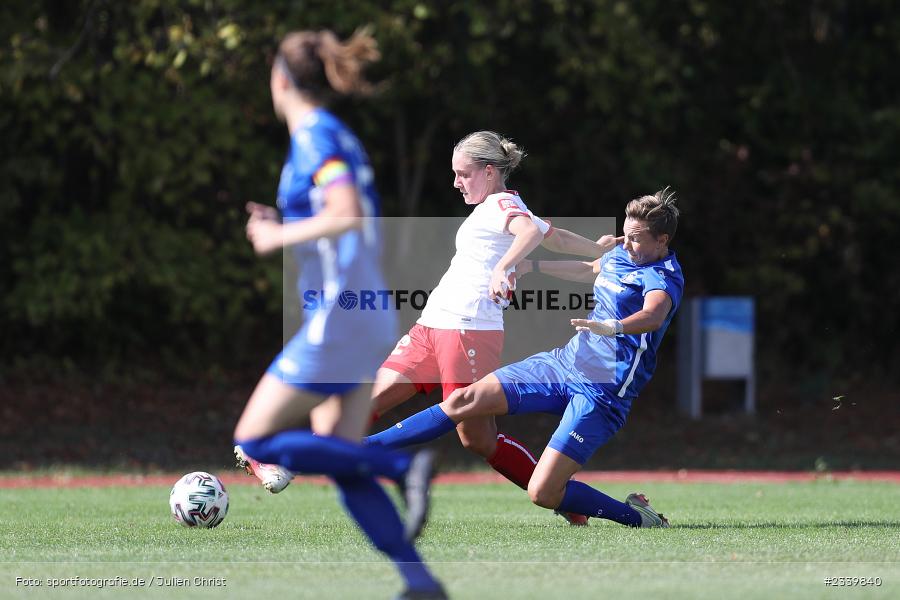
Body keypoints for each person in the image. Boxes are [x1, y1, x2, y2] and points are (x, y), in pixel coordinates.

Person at [231, 29, 446, 599]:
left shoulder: (314, 135)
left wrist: (275, 235)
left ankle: (404, 470)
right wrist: (287, 220)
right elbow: (336, 213)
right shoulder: (336, 135)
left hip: (341, 316)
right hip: (360, 310)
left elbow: (346, 213)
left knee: (253, 440)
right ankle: (419, 581)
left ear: (280, 78)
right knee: (342, 458)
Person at [361, 189, 683, 528]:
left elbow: (653, 315)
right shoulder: (622, 254)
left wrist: (613, 326)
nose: (627, 244)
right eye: (626, 234)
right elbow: (590, 267)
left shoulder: (663, 275)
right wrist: (529, 265)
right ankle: (365, 448)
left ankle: (638, 517)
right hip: (562, 365)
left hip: (603, 393)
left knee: (543, 492)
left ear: (662, 240)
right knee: (463, 399)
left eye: (635, 239)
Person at [365, 131, 619, 526]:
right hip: (432, 324)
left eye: (462, 174)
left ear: (487, 171)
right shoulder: (499, 205)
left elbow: (532, 234)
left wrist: (503, 267)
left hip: (467, 328)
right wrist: (598, 249)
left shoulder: (502, 202)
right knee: (372, 397)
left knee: (477, 438)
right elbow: (556, 236)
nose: (455, 182)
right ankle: (297, 458)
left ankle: (566, 499)